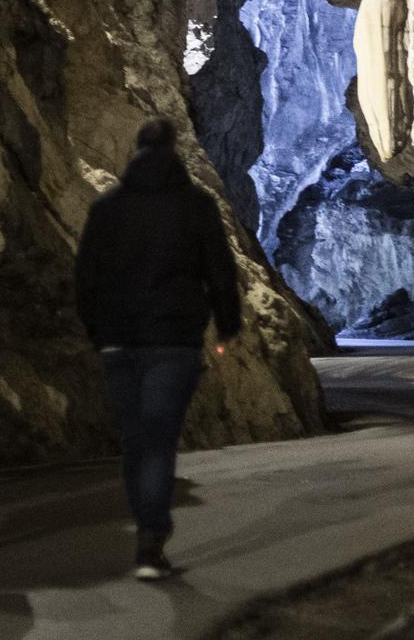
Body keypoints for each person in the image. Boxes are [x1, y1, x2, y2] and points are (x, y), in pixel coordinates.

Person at [74, 117, 243, 581]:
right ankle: (150, 538)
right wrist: (227, 326)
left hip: (119, 341)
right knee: (159, 439)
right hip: (173, 341)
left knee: (135, 440)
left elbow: (86, 276)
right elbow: (220, 272)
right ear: (174, 150)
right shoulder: (197, 206)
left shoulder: (107, 209)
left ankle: (146, 527)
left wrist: (97, 331)